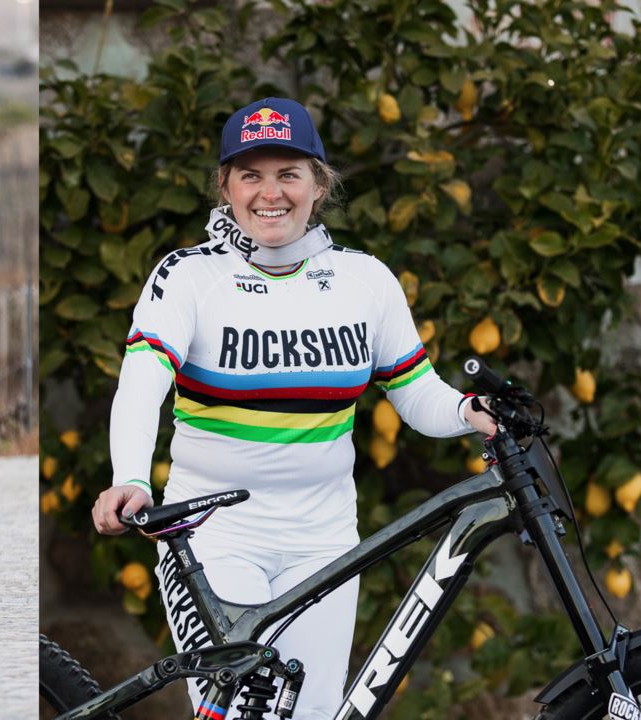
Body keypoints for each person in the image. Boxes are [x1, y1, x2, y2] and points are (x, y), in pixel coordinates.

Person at [90, 97, 498, 719]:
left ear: (318, 183)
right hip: (214, 538)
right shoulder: (190, 276)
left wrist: (471, 410)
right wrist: (131, 478)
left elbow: (416, 392)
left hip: (325, 541)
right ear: (225, 186)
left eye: (288, 173)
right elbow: (142, 381)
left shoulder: (365, 281)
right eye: (250, 174)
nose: (269, 193)